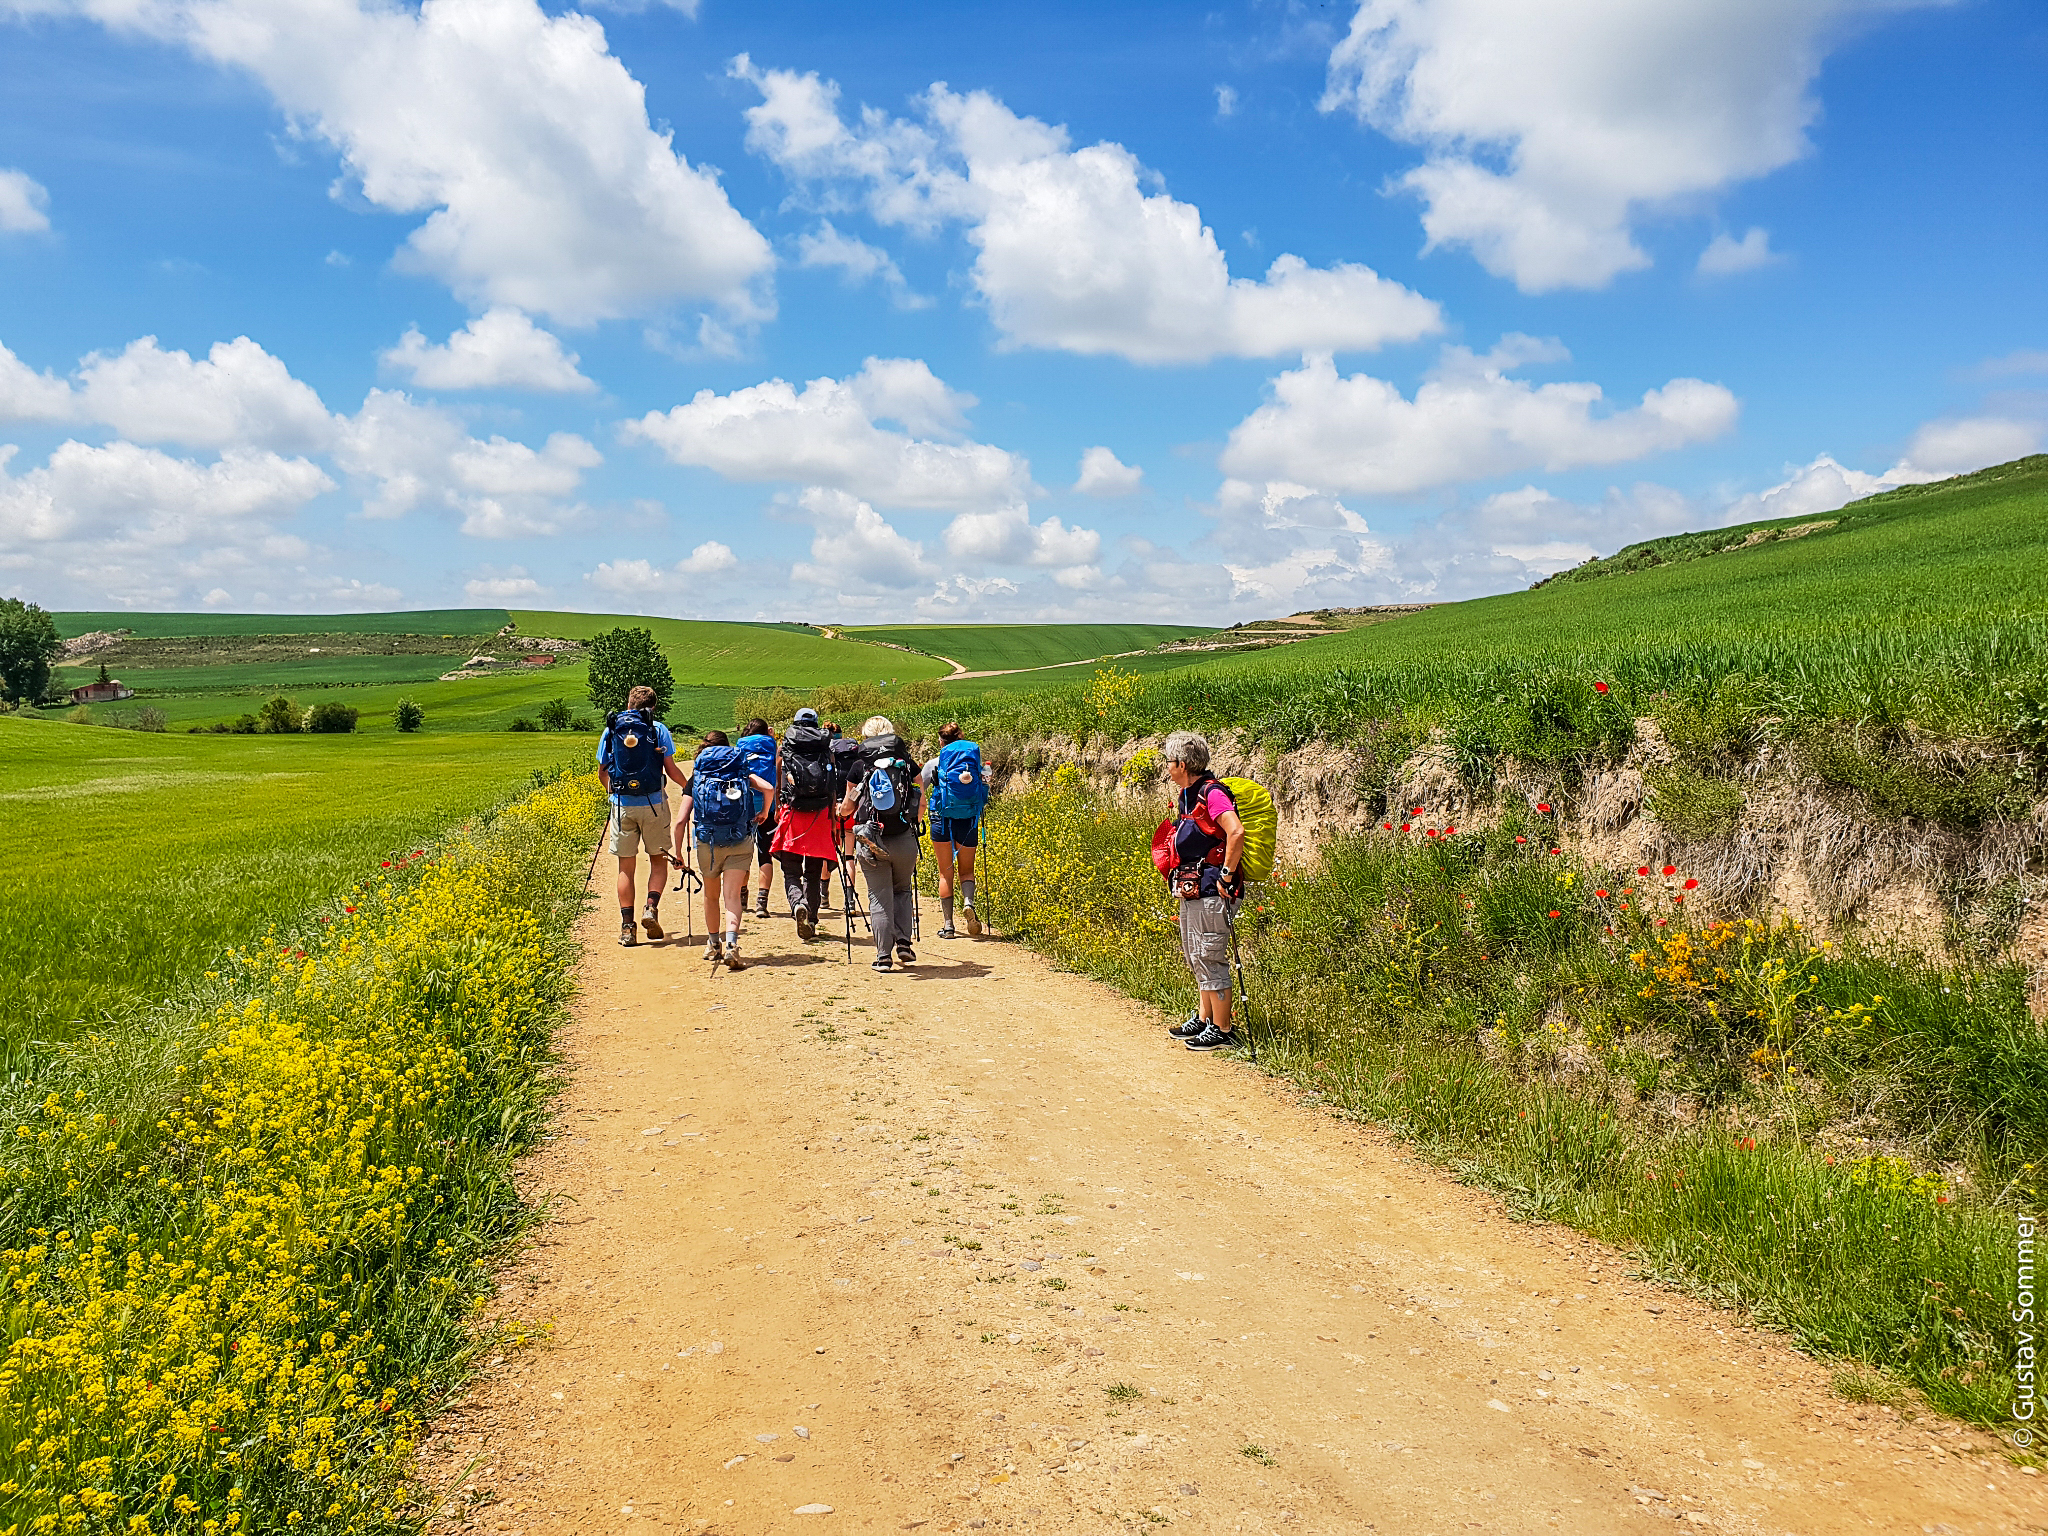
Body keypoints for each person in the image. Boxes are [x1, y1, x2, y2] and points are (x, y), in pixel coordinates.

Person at [1161, 730, 1245, 1051]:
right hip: (1194, 888)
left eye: (1169, 762)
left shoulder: (1211, 793)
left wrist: (1226, 876)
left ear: (1182, 763)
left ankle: (1222, 1029)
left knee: (1209, 954)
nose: (1167, 768)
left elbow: (1235, 832)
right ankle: (1205, 1018)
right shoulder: (1189, 794)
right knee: (1195, 953)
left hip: (1214, 889)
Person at [595, 685, 686, 948]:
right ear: (653, 706)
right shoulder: (658, 730)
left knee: (626, 867)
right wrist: (688, 787)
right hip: (654, 803)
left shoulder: (612, 729)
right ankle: (651, 908)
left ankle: (627, 927)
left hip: (622, 804)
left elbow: (603, 772)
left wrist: (615, 795)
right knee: (658, 861)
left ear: (629, 703)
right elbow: (670, 769)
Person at [677, 729, 776, 970]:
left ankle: (713, 944)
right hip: (739, 839)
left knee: (711, 896)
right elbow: (769, 788)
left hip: (707, 843)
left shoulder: (698, 776)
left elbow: (681, 820)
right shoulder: (740, 772)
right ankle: (732, 945)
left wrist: (679, 853)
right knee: (732, 896)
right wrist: (763, 812)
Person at [838, 715, 922, 972]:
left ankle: (883, 956)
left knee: (878, 896)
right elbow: (920, 802)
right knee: (902, 891)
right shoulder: (908, 764)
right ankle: (904, 944)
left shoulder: (859, 765)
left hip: (871, 839)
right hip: (904, 837)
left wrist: (840, 811)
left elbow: (848, 807)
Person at [771, 706, 843, 941]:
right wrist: (833, 819)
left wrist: (777, 810)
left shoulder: (785, 748)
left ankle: (797, 904)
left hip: (792, 812)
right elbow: (832, 786)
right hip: (820, 814)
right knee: (812, 872)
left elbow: (779, 781)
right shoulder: (826, 748)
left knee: (791, 869)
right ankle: (811, 918)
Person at [922, 722, 987, 938]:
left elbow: (920, 790)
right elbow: (985, 783)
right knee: (967, 870)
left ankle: (948, 926)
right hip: (968, 816)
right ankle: (969, 903)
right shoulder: (973, 761)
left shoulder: (935, 762)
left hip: (942, 818)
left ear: (941, 741)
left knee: (945, 872)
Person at [735, 717, 781, 918]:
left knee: (743, 852)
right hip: (768, 806)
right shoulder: (772, 745)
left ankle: (742, 896)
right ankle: (762, 902)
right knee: (765, 854)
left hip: (744, 806)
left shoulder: (739, 746)